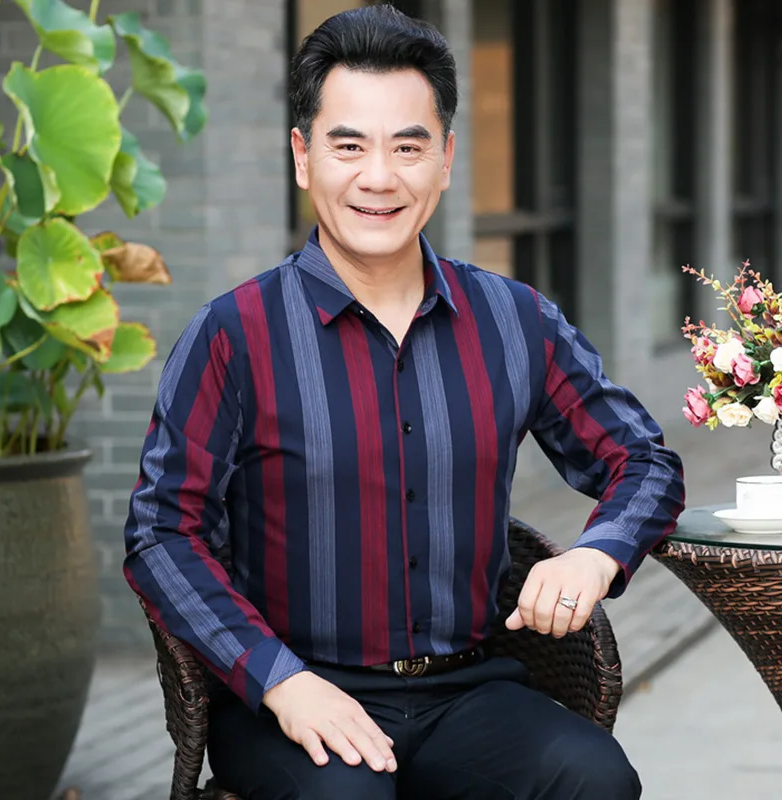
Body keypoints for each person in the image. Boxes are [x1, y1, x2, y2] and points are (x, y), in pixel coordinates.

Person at [123, 5, 684, 798]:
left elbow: (644, 461)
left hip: (470, 691)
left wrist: (599, 554)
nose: (379, 178)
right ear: (303, 157)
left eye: (408, 147)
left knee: (594, 777)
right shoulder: (233, 335)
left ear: (446, 159)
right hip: (296, 696)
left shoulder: (515, 321)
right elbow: (160, 533)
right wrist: (279, 679)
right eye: (348, 145)